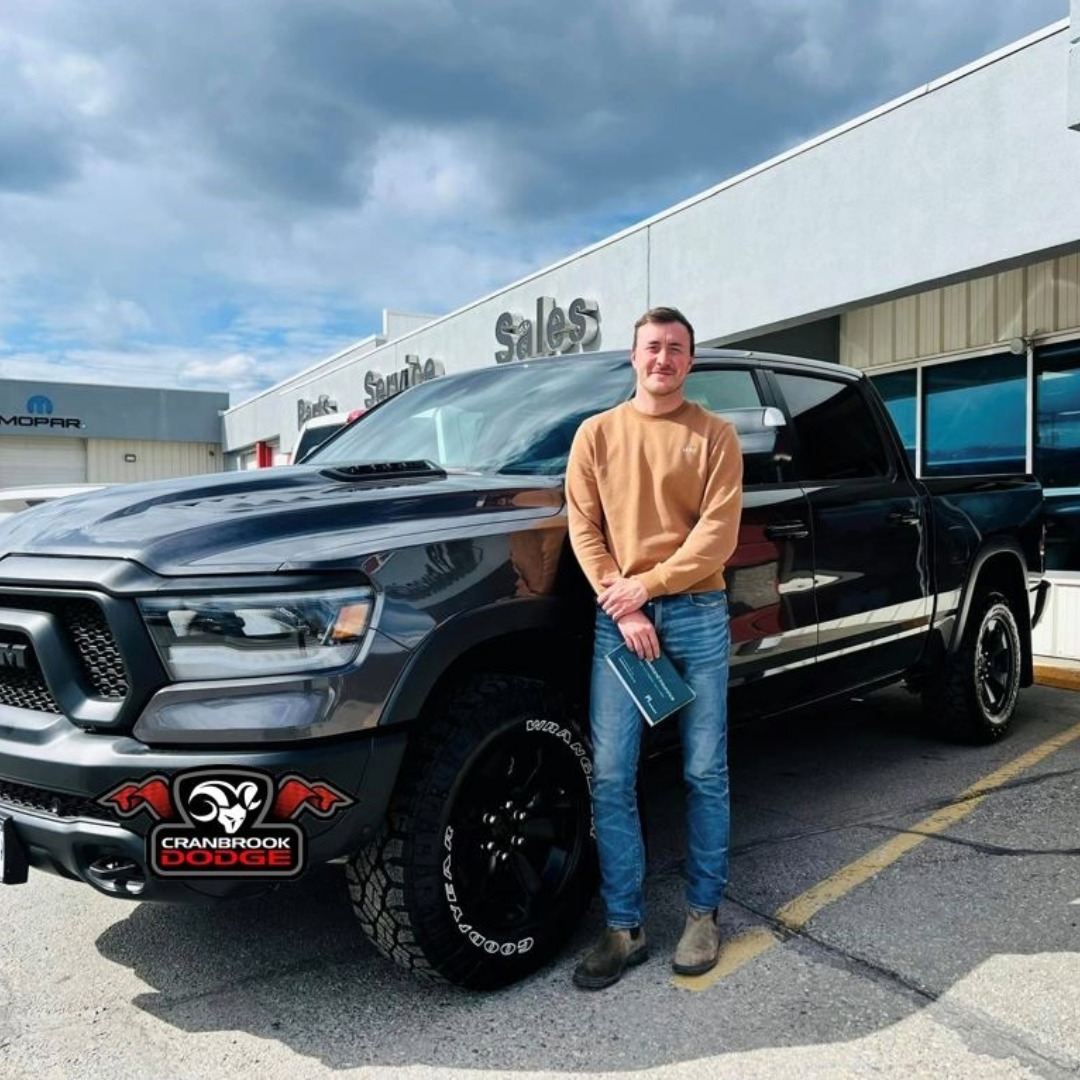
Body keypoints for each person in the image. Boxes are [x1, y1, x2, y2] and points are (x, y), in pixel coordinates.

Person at [565, 306, 743, 990]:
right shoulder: (596, 435)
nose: (662, 358)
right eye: (651, 348)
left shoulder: (714, 436)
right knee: (611, 775)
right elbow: (584, 528)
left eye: (675, 349)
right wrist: (623, 598)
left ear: (690, 361)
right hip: (621, 619)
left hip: (696, 613)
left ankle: (702, 914)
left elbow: (717, 537)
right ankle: (624, 928)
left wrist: (647, 588)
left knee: (704, 771)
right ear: (632, 357)